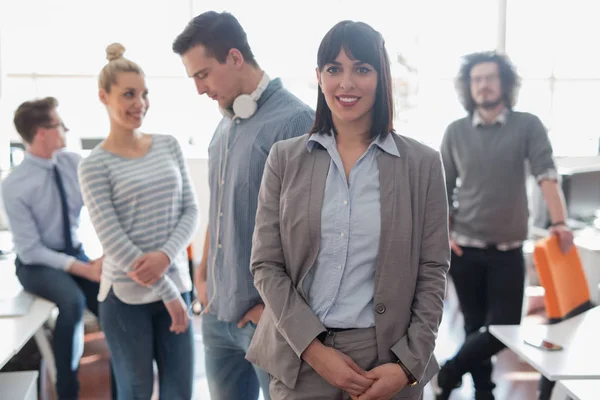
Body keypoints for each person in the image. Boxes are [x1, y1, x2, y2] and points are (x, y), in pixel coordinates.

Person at [245, 20, 450, 400]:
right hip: (301, 356)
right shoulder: (285, 158)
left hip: (387, 358)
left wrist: (408, 365)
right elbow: (266, 265)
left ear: (381, 76)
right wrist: (315, 352)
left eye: (362, 69)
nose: (347, 83)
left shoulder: (421, 164)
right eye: (334, 69)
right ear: (319, 77)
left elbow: (433, 270)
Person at [172, 11, 315, 400]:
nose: (200, 89)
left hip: (267, 319)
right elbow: (221, 210)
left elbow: (311, 235)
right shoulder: (224, 124)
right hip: (217, 314)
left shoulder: (297, 121)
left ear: (235, 57)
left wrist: (273, 312)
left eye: (203, 74)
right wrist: (203, 275)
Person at [436, 51, 574, 400]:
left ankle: (450, 369)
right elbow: (442, 189)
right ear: (469, 87)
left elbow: (547, 176)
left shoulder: (527, 126)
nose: (483, 85)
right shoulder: (455, 132)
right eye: (476, 79)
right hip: (465, 248)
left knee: (505, 327)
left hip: (510, 250)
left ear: (504, 83)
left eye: (490, 78)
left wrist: (560, 222)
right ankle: (484, 391)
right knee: (472, 325)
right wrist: (445, 233)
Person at [78, 43, 199, 400]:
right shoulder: (94, 164)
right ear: (104, 96)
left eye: (144, 94)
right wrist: (170, 294)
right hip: (125, 298)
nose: (140, 103)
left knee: (179, 392)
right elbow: (113, 241)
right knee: (136, 391)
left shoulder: (168, 145)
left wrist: (165, 258)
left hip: (175, 283)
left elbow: (190, 211)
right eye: (129, 94)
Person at [1, 97, 107, 400]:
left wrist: (104, 257)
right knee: (72, 301)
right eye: (59, 124)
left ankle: (122, 387)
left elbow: (101, 209)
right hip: (36, 265)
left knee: (110, 303)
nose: (66, 128)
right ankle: (66, 391)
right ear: (41, 132)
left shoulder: (73, 163)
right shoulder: (14, 185)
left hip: (75, 254)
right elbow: (31, 250)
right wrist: (84, 268)